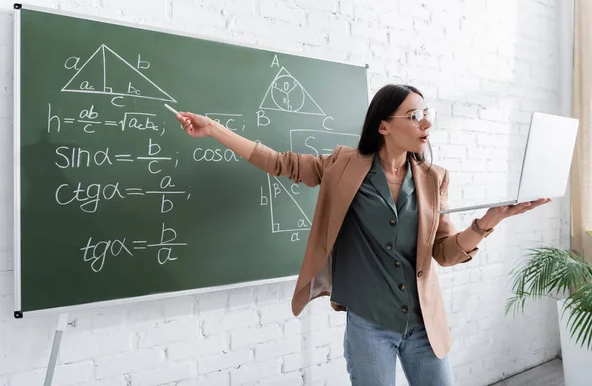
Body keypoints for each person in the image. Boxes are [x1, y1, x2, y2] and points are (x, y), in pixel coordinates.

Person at [174, 84, 550, 385]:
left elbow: (445, 253)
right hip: (370, 325)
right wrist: (215, 130)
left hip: (424, 324)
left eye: (427, 114)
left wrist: (488, 222)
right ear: (383, 125)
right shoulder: (343, 165)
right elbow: (279, 162)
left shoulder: (435, 179)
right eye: (415, 115)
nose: (426, 124)